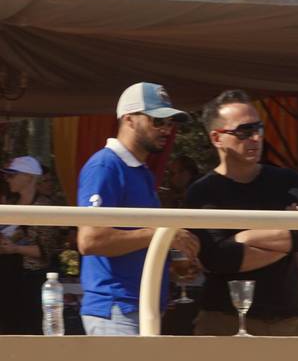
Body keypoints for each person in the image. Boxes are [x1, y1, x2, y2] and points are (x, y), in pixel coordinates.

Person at [185, 89, 298, 336]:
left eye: (258, 128)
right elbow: (218, 259)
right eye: (244, 132)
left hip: (287, 320)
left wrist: (243, 238)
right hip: (223, 321)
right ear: (217, 138)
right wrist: (288, 238)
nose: (256, 138)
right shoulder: (201, 192)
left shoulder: (287, 180)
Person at [76, 82, 199, 336]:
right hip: (117, 309)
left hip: (135, 310)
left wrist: (172, 262)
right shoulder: (105, 165)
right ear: (129, 120)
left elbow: (133, 240)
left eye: (169, 123)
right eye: (157, 121)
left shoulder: (137, 170)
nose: (166, 129)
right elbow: (89, 240)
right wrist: (161, 234)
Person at [0, 156, 63, 333]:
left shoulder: (44, 207)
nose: (8, 179)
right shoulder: (10, 204)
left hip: (30, 280)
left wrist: (15, 248)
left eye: (12, 175)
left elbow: (47, 249)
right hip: (7, 278)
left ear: (29, 176)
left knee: (27, 328)